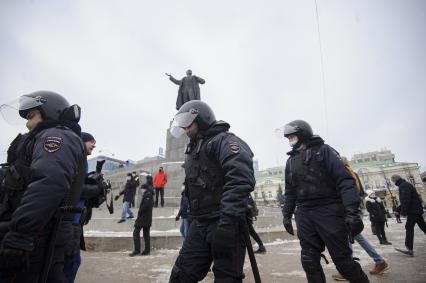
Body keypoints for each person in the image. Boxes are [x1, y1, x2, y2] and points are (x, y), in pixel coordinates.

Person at [0, 91, 86, 282]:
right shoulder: (41, 139)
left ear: (48, 112)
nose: (27, 124)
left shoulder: (56, 135)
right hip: (34, 234)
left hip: (39, 238)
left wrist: (20, 236)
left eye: (31, 116)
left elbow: (48, 183)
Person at [168, 100, 255, 282]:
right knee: (181, 274)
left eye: (188, 122)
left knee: (227, 278)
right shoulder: (193, 150)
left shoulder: (224, 140)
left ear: (202, 119)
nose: (185, 128)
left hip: (225, 221)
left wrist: (227, 223)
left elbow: (240, 179)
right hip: (200, 223)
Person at [280, 120, 369, 283]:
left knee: (343, 263)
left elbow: (345, 181)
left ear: (302, 134)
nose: (290, 140)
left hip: (329, 210)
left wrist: (352, 211)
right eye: (288, 137)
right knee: (309, 261)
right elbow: (290, 191)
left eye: (292, 136)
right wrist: (286, 214)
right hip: (304, 213)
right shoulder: (291, 161)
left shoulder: (324, 151)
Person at [332, 157, 389, 281]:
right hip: (353, 209)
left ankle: (347, 270)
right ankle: (379, 261)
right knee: (355, 237)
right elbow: (360, 193)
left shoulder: (344, 173)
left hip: (348, 210)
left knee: (348, 238)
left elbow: (346, 193)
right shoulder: (353, 173)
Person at [64, 132, 99, 283]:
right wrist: (97, 189)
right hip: (70, 220)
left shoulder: (82, 159)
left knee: (72, 261)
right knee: (70, 262)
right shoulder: (77, 158)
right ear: (82, 141)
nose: (94, 145)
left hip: (76, 219)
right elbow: (75, 188)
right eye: (91, 142)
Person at [391, 174, 426, 256]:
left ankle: (409, 248)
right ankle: (409, 248)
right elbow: (406, 199)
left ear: (395, 180)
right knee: (423, 226)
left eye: (393, 181)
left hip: (413, 210)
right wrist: (398, 209)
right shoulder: (406, 184)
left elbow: (406, 199)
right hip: (416, 209)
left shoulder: (403, 186)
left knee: (409, 227)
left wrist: (403, 211)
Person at [129, 184, 154, 256]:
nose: (141, 190)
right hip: (146, 218)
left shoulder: (148, 195)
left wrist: (140, 211)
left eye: (142, 189)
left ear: (144, 189)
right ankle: (147, 250)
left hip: (143, 218)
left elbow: (146, 205)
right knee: (146, 234)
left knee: (136, 232)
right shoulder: (149, 194)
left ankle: (137, 250)